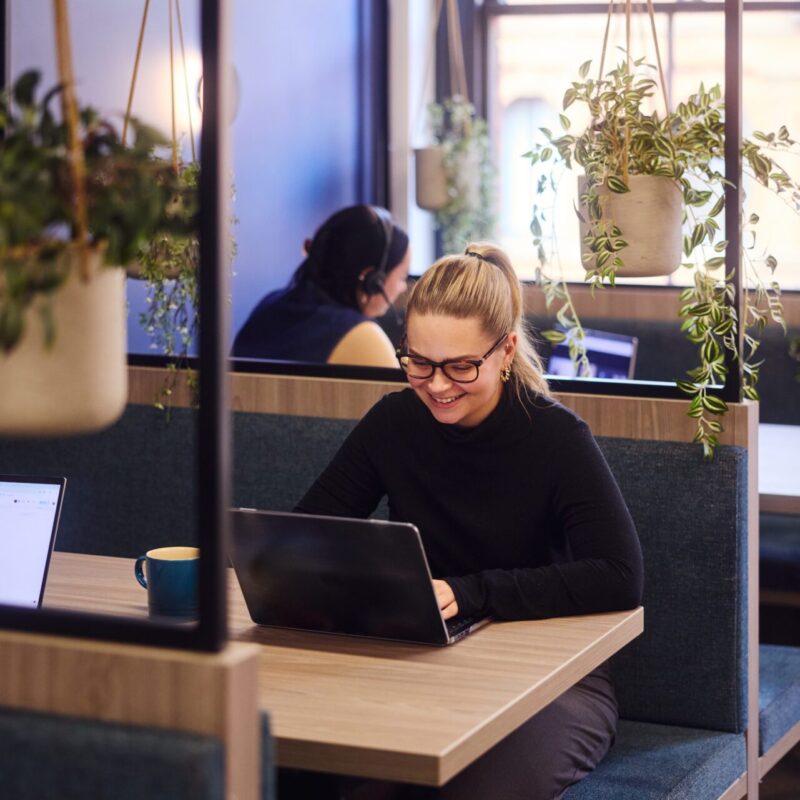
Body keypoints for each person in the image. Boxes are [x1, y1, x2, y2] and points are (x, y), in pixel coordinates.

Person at [284, 242, 644, 800]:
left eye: (460, 366)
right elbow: (307, 535)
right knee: (345, 774)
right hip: (425, 662)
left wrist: (471, 592)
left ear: (504, 351)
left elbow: (619, 575)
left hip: (551, 678)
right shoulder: (394, 423)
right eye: (419, 363)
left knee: (471, 787)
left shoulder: (555, 438)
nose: (438, 385)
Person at [232, 204, 410, 367]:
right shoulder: (361, 337)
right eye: (402, 277)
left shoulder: (269, 305)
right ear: (372, 280)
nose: (403, 287)